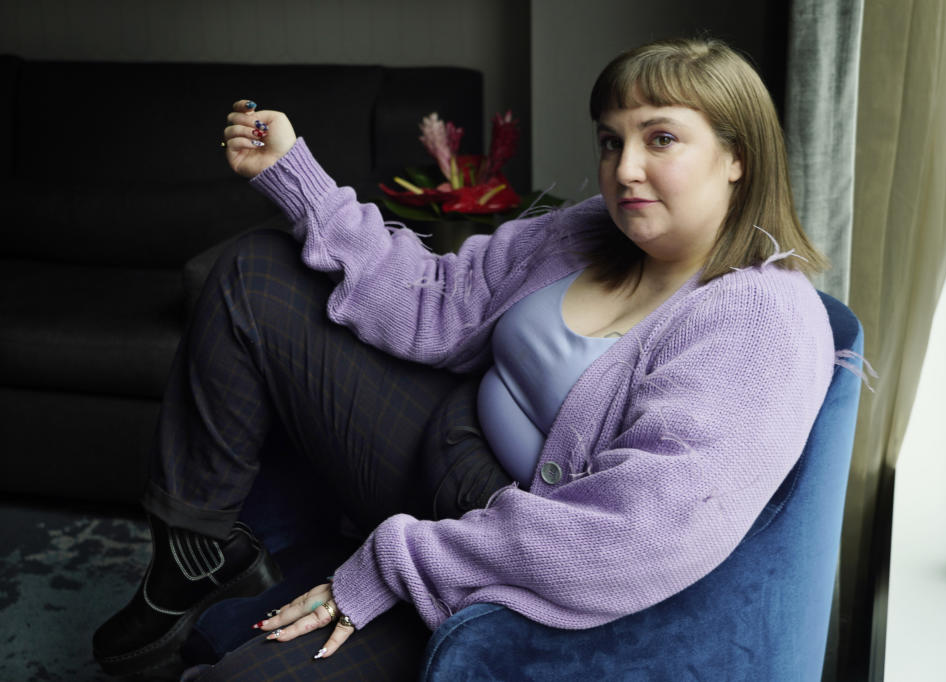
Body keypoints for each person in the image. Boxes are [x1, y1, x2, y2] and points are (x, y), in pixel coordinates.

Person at [93, 37, 835, 680]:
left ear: (737, 156)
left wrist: (396, 564)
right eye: (611, 141)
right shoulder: (591, 230)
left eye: (660, 139)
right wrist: (299, 177)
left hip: (510, 538)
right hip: (437, 438)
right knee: (253, 271)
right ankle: (192, 557)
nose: (625, 168)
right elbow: (436, 297)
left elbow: (632, 535)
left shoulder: (758, 320)